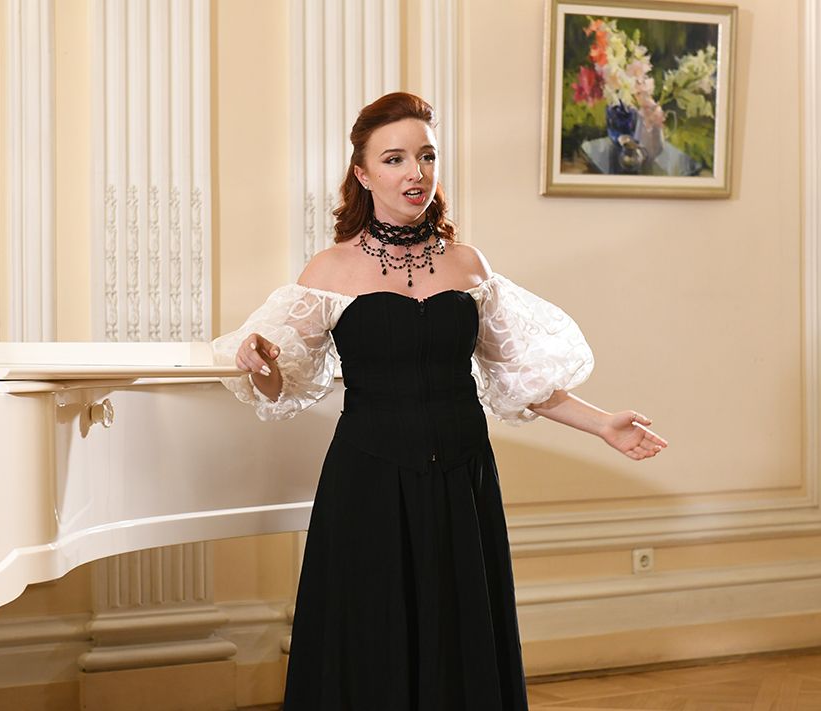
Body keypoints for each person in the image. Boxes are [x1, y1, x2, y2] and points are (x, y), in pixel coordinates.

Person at [211, 92, 668, 711]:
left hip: (461, 480)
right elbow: (280, 386)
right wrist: (260, 361)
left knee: (460, 635)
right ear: (363, 174)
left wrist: (604, 423)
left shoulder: (467, 265)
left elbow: (523, 380)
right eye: (395, 159)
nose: (416, 173)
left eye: (426, 156)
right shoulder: (330, 271)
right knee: (371, 635)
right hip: (369, 482)